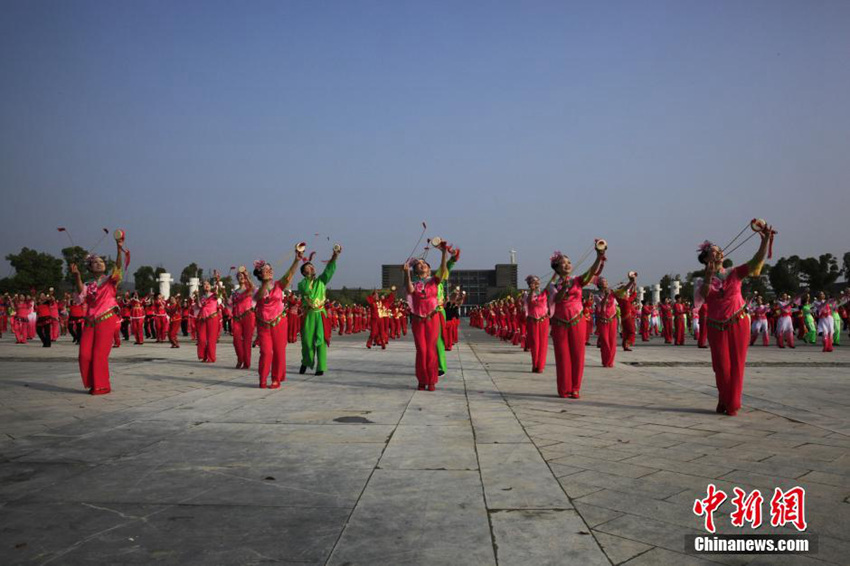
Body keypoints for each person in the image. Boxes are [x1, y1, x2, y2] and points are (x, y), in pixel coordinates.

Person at [697, 223, 773, 416]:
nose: (717, 253)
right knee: (721, 366)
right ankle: (724, 397)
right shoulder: (700, 280)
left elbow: (756, 261)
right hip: (715, 325)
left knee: (737, 364)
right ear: (705, 258)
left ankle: (732, 403)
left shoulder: (734, 272)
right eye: (712, 252)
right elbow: (705, 296)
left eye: (718, 250)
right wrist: (708, 277)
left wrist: (764, 240)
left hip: (738, 321)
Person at [70, 233, 128, 395]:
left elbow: (118, 267)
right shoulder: (89, 284)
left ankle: (102, 386)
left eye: (101, 261)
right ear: (89, 267)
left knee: (99, 355)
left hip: (106, 318)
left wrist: (118, 249)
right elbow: (82, 295)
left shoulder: (111, 281)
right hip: (90, 321)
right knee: (84, 354)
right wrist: (77, 277)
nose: (99, 264)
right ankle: (91, 382)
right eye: (95, 262)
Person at [547, 245, 606, 398]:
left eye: (569, 262)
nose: (567, 264)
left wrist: (599, 256)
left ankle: (575, 387)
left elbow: (591, 271)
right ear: (557, 268)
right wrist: (563, 289)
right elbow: (557, 299)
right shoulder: (553, 286)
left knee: (578, 355)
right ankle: (564, 388)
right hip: (559, 323)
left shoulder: (578, 280)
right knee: (562, 356)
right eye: (563, 263)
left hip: (577, 321)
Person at [404, 246, 449, 391]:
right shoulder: (415, 284)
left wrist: (443, 253)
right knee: (421, 350)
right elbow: (409, 290)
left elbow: (443, 270)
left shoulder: (434, 281)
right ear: (416, 270)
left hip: (432, 318)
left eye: (424, 264)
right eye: (419, 264)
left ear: (429, 269)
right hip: (417, 320)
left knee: (430, 350)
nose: (422, 265)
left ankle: (431, 380)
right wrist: (407, 273)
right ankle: (421, 379)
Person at [254, 253, 301, 388]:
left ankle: (276, 379)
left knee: (279, 351)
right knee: (266, 352)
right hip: (263, 325)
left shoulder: (279, 285)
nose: (270, 271)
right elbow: (259, 297)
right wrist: (264, 282)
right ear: (260, 274)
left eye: (271, 269)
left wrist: (296, 260)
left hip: (279, 322)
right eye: (266, 269)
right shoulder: (257, 290)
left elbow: (289, 275)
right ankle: (262, 378)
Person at [297, 247, 341, 376]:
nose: (312, 268)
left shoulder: (321, 281)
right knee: (307, 341)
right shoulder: (302, 283)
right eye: (309, 267)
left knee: (321, 340)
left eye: (312, 266)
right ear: (304, 272)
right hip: (309, 314)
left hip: (321, 314)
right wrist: (309, 278)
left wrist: (334, 256)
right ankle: (306, 361)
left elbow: (329, 270)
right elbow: (306, 290)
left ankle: (321, 366)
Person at [195, 273, 224, 363]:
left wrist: (218, 281)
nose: (206, 285)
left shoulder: (214, 295)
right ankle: (203, 356)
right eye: (204, 284)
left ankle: (211, 357)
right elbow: (199, 306)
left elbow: (221, 292)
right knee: (201, 338)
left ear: (211, 286)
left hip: (212, 318)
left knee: (211, 339)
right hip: (203, 319)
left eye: (208, 284)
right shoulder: (202, 297)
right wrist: (197, 297)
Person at [231, 267, 256, 369]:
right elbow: (231, 303)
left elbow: (253, 288)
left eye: (243, 276)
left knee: (247, 341)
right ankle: (240, 358)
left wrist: (247, 275)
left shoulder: (249, 288)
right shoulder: (235, 292)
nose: (241, 277)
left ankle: (246, 362)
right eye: (239, 276)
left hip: (248, 316)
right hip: (237, 317)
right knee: (236, 340)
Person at [524, 275, 549, 373]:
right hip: (532, 320)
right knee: (534, 343)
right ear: (529, 284)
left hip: (544, 319)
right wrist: (532, 291)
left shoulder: (544, 292)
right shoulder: (527, 294)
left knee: (543, 343)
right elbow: (529, 302)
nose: (536, 283)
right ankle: (534, 364)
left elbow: (553, 281)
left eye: (537, 281)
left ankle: (541, 366)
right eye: (533, 282)